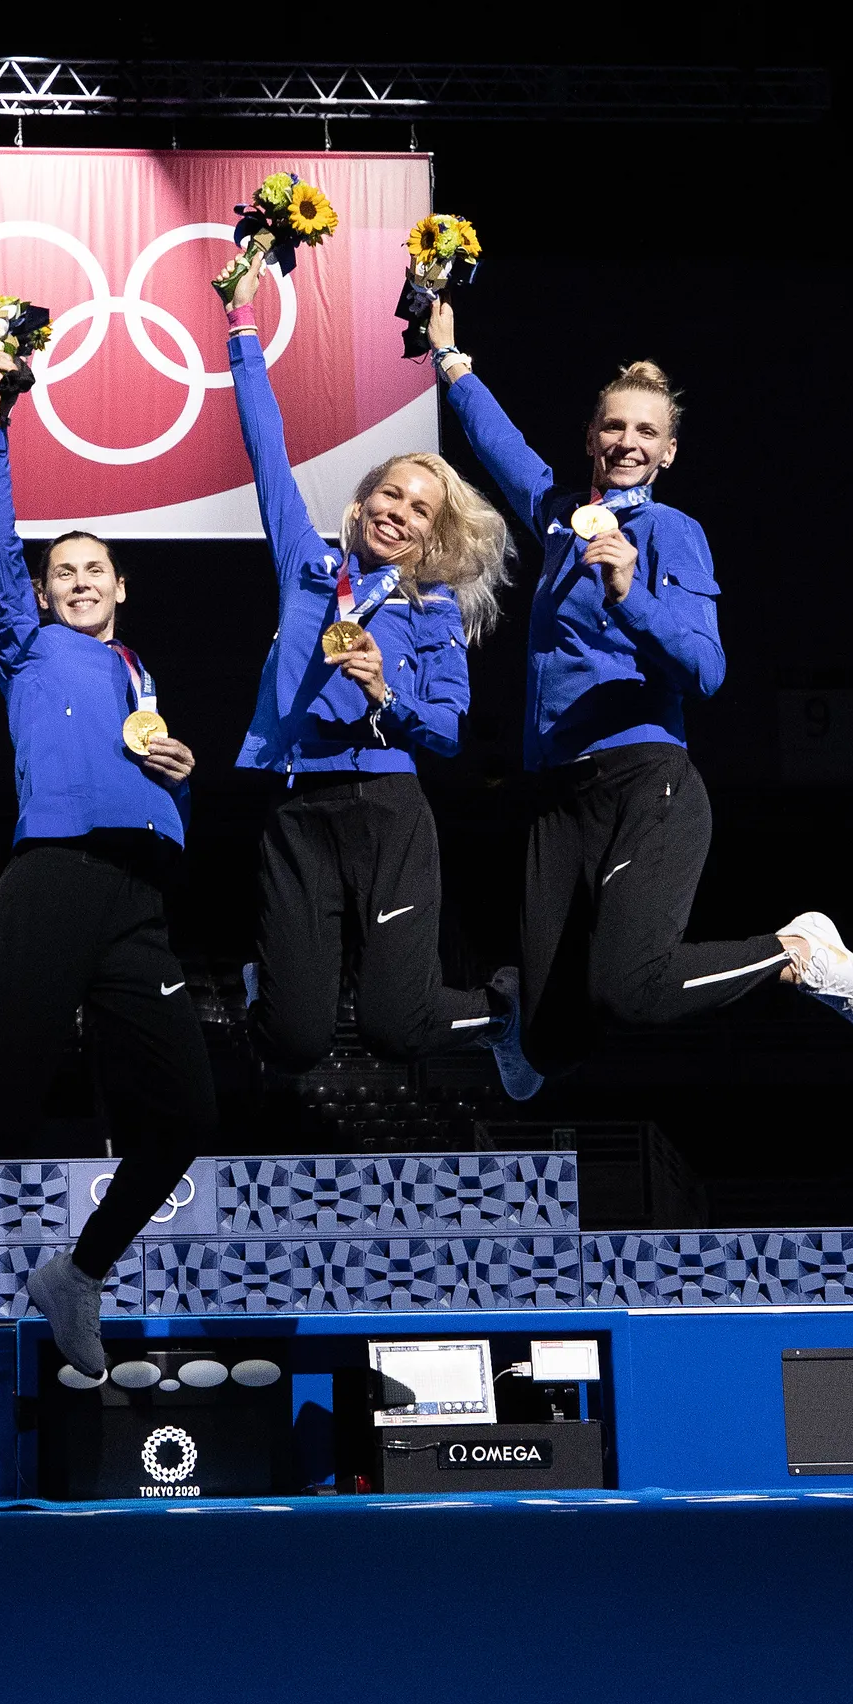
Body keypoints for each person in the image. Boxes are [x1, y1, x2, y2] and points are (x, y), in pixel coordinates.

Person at [428, 294, 853, 1073]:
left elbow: (706, 672)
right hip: (558, 799)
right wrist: (449, 359)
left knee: (630, 989)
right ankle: (514, 1015)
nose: (627, 442)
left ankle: (801, 950)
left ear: (669, 452)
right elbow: (498, 445)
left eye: (647, 431)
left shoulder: (672, 533)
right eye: (614, 426)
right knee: (550, 1046)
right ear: (590, 438)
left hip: (646, 782)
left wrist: (629, 594)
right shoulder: (557, 516)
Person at [0, 353, 216, 1383]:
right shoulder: (28, 649)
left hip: (137, 901)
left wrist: (179, 775)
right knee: (3, 1107)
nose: (79, 580)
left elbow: (151, 785)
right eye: (62, 572)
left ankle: (78, 1274)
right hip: (48, 878)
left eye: (95, 568)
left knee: (186, 1119)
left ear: (121, 586)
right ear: (42, 596)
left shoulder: (140, 673)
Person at [219, 249, 540, 1099]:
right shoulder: (306, 564)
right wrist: (241, 326)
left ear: (431, 538)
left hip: (392, 813)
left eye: (419, 511)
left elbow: (445, 732)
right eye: (389, 497)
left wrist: (380, 692)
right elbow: (265, 448)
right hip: (300, 809)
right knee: (291, 1040)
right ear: (360, 505)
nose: (399, 514)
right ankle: (273, 991)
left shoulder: (432, 613)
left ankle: (503, 1008)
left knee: (401, 1032)